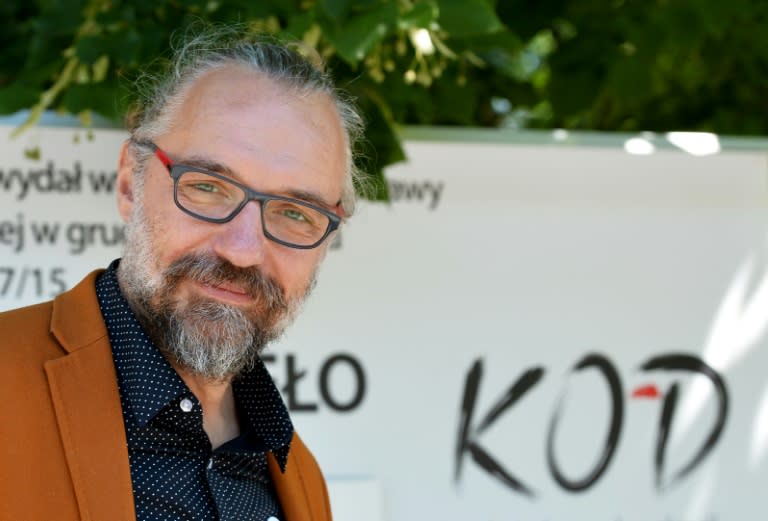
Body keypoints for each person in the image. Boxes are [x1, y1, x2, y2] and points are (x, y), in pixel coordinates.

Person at [0, 26, 364, 521]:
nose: (242, 251)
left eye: (295, 212)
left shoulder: (297, 473)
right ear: (131, 182)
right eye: (209, 186)